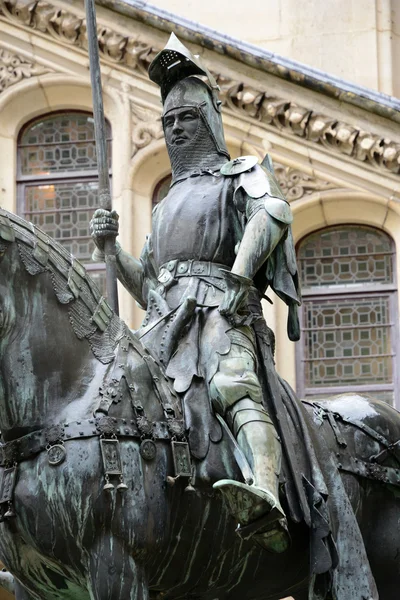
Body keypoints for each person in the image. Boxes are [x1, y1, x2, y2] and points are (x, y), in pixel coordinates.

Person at [90, 34, 301, 554]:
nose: (176, 128)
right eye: (168, 121)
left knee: (232, 383)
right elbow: (149, 285)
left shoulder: (240, 174)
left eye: (186, 117)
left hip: (218, 311)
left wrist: (239, 274)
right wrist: (111, 249)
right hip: (165, 324)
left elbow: (273, 213)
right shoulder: (164, 205)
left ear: (208, 119)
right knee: (109, 405)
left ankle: (266, 494)